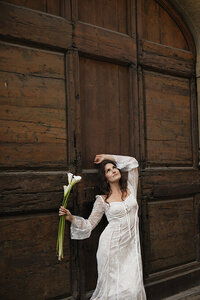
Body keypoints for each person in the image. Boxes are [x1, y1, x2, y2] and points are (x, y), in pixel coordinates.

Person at [59, 154, 147, 300]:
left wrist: (107, 156)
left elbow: (133, 162)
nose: (113, 171)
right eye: (108, 170)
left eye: (114, 167)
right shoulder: (102, 200)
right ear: (105, 177)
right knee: (112, 290)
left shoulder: (131, 188)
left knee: (133, 288)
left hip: (131, 246)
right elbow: (89, 225)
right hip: (111, 247)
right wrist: (71, 218)